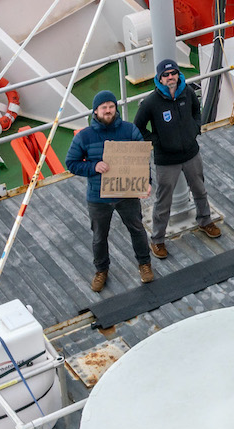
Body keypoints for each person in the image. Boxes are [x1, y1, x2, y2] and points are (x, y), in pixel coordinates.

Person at [133, 58, 222, 259]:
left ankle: (205, 221)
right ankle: (157, 240)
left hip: (191, 153)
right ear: (159, 78)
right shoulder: (151, 102)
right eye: (166, 75)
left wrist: (194, 129)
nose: (171, 77)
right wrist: (157, 141)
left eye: (173, 73)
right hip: (166, 160)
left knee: (200, 189)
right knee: (163, 201)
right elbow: (137, 127)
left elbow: (196, 110)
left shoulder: (187, 92)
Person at [65, 90, 153, 292]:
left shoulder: (129, 130)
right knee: (99, 236)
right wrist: (93, 167)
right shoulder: (84, 137)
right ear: (95, 111)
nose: (108, 110)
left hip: (127, 193)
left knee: (137, 229)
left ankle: (145, 264)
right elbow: (71, 163)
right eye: (103, 107)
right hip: (98, 197)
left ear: (116, 108)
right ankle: (101, 270)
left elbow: (142, 158)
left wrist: (146, 182)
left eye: (111, 106)